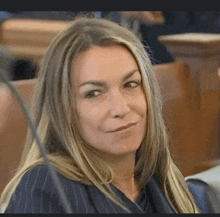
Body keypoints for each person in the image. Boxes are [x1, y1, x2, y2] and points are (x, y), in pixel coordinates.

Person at [0, 15, 214, 214]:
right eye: (93, 93)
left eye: (131, 84)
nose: (121, 108)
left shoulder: (160, 179)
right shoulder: (44, 187)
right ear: (62, 109)